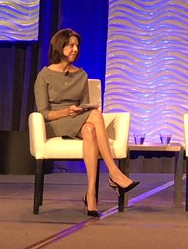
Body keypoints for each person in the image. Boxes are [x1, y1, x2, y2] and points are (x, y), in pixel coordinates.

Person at [34, 28, 138, 216]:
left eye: (76, 46)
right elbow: (43, 113)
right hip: (56, 123)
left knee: (91, 128)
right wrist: (67, 111)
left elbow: (84, 105)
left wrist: (81, 109)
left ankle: (91, 195)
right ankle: (114, 173)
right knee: (96, 116)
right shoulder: (44, 76)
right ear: (59, 47)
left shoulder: (81, 74)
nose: (75, 49)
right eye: (70, 45)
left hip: (77, 119)